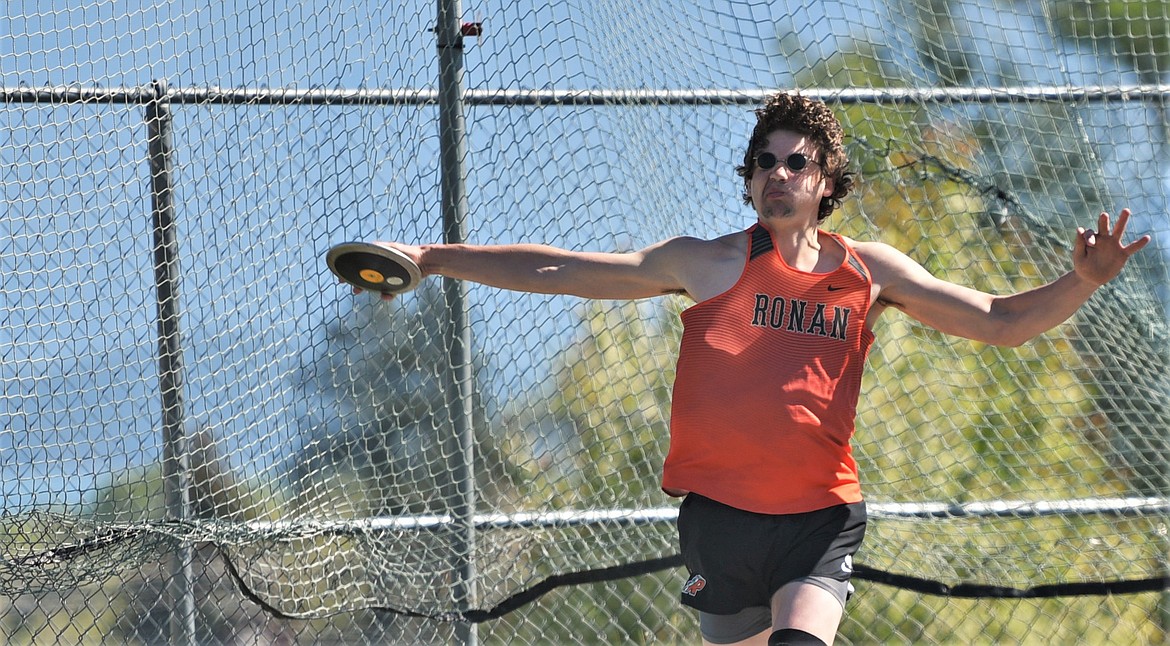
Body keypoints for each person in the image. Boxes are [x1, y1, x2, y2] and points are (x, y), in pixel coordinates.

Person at [357, 92, 1150, 646]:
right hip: (719, 525)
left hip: (817, 521)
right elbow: (561, 270)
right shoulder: (705, 264)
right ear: (747, 179)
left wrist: (1081, 280)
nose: (777, 172)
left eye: (795, 163)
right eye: (762, 161)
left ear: (825, 184)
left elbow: (1003, 322)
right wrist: (431, 259)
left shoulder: (869, 272)